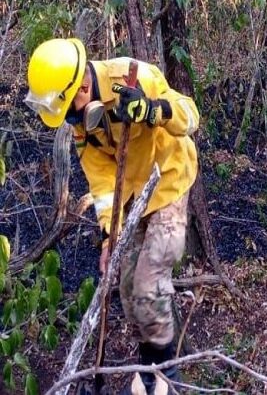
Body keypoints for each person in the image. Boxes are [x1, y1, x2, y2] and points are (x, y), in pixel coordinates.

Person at [25, 38, 200, 393]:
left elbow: (191, 115)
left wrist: (154, 110)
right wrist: (110, 236)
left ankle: (167, 375)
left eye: (70, 109)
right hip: (132, 197)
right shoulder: (80, 122)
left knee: (149, 282)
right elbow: (102, 183)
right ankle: (147, 368)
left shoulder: (133, 77)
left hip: (167, 183)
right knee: (125, 287)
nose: (71, 120)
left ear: (84, 87)